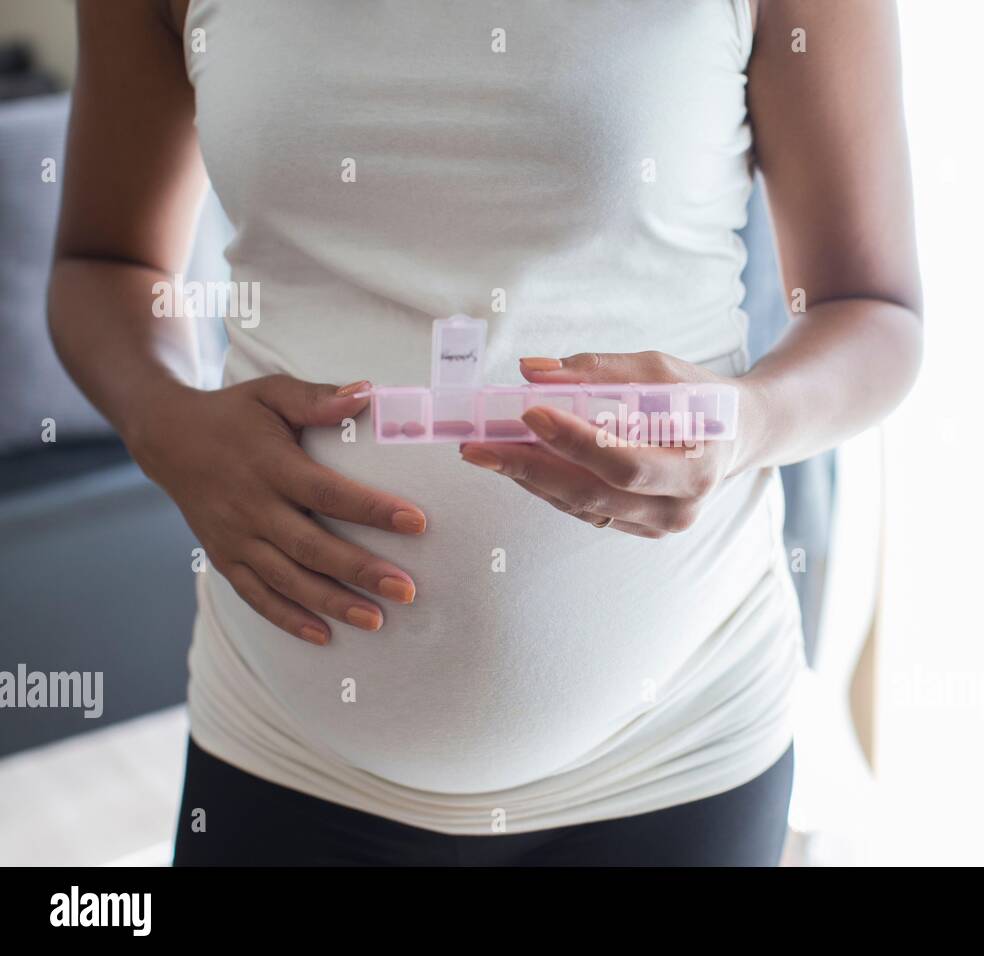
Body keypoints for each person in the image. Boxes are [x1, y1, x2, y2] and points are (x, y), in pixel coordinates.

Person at [49, 0, 921, 866]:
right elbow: (106, 262)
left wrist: (746, 423)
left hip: (678, 751)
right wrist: (164, 420)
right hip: (282, 748)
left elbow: (873, 309)